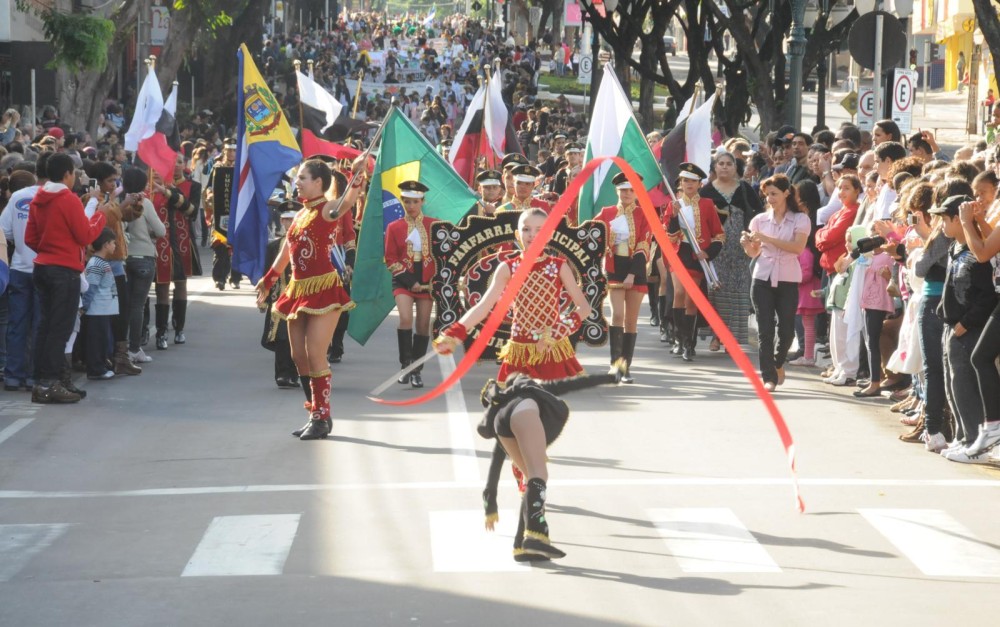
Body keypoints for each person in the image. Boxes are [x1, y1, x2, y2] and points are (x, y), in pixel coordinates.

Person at [433, 208, 594, 560]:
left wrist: (558, 330)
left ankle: (531, 523)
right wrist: (454, 333)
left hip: (551, 355)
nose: (533, 234)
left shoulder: (557, 266)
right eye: (526, 229)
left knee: (535, 435)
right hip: (518, 356)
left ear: (548, 234)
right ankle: (532, 520)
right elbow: (483, 307)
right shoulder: (508, 267)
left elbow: (583, 308)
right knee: (520, 437)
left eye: (539, 229)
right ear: (516, 233)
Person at [255, 156, 365, 441]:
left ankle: (320, 416)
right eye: (298, 178)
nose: (297, 183)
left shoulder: (327, 209)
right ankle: (317, 413)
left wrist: (357, 173)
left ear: (318, 182)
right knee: (298, 357)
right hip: (297, 290)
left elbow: (348, 202)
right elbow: (286, 253)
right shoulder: (300, 214)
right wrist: (268, 280)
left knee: (316, 353)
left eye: (303, 178)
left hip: (324, 289)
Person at [25, 153, 107, 403]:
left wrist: (49, 248)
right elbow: (85, 236)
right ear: (67, 174)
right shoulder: (68, 199)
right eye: (74, 173)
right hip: (64, 270)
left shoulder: (38, 198)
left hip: (43, 267)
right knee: (59, 329)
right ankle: (49, 383)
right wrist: (100, 215)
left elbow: (30, 238)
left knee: (46, 327)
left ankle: (45, 380)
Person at [934, 195, 998, 462]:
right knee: (977, 361)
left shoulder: (967, 239)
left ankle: (989, 430)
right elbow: (990, 239)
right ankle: (985, 431)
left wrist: (966, 221)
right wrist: (979, 220)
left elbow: (982, 252)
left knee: (979, 359)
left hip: (980, 311)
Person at [740, 174, 810, 391]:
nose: (770, 198)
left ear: (786, 193)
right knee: (765, 329)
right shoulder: (759, 220)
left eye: (774, 194)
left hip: (788, 276)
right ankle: (768, 377)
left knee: (787, 328)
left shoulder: (800, 219)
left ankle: (778, 362)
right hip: (763, 275)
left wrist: (769, 239)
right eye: (767, 194)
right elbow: (754, 253)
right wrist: (747, 245)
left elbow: (797, 248)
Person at [700, 151, 763, 347]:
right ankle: (717, 335)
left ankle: (732, 339)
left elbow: (759, 214)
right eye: (721, 163)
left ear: (736, 168)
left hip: (740, 250)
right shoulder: (706, 191)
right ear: (715, 167)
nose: (725, 167)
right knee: (717, 292)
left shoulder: (745, 189)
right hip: (716, 249)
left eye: (729, 163)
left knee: (738, 293)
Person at [594, 172, 651, 382]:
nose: (627, 194)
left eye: (631, 190)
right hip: (613, 268)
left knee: (631, 320)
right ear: (616, 191)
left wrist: (632, 274)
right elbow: (590, 235)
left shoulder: (645, 214)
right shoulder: (606, 212)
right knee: (617, 315)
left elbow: (644, 246)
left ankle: (625, 368)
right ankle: (615, 365)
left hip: (635, 269)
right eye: (623, 190)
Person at [665, 162, 725, 361]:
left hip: (697, 255)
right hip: (679, 253)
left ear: (700, 184)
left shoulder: (707, 205)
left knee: (692, 298)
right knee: (680, 292)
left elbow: (718, 235)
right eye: (685, 180)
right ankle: (679, 339)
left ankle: (688, 344)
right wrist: (673, 216)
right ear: (680, 183)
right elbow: (668, 235)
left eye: (692, 181)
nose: (688, 184)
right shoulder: (673, 204)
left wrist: (708, 252)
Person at [384, 180, 438, 388]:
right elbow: (390, 259)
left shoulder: (434, 225)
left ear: (422, 201)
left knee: (423, 325)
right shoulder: (394, 227)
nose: (411, 206)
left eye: (415, 201)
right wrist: (410, 281)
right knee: (405, 318)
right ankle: (405, 366)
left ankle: (417, 370)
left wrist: (428, 281)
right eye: (407, 201)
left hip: (427, 284)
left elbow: (440, 255)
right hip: (403, 280)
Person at [151, 155, 199, 350]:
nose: (176, 165)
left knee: (180, 284)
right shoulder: (154, 185)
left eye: (179, 162)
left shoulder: (192, 186)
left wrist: (168, 192)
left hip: (183, 241)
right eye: (172, 161)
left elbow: (192, 211)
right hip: (160, 242)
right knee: (161, 287)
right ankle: (160, 331)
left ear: (185, 165)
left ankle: (179, 328)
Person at [122, 168, 165, 365]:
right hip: (144, 256)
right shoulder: (144, 202)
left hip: (124, 257)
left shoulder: (120, 201)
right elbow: (161, 230)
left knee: (125, 304)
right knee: (138, 306)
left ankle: (120, 347)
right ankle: (134, 348)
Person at [262, 205, 300, 388]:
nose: (288, 223)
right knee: (282, 337)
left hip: (303, 298)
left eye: (292, 219)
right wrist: (264, 296)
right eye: (285, 219)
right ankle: (283, 374)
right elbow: (267, 272)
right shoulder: (274, 246)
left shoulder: (308, 243)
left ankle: (295, 373)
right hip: (280, 298)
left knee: (300, 338)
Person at [81, 228, 119, 380]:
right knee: (96, 340)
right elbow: (91, 287)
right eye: (113, 243)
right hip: (97, 310)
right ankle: (95, 369)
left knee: (103, 339)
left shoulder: (102, 262)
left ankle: (101, 365)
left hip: (103, 309)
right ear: (105, 245)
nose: (115, 246)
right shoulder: (96, 263)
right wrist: (84, 306)